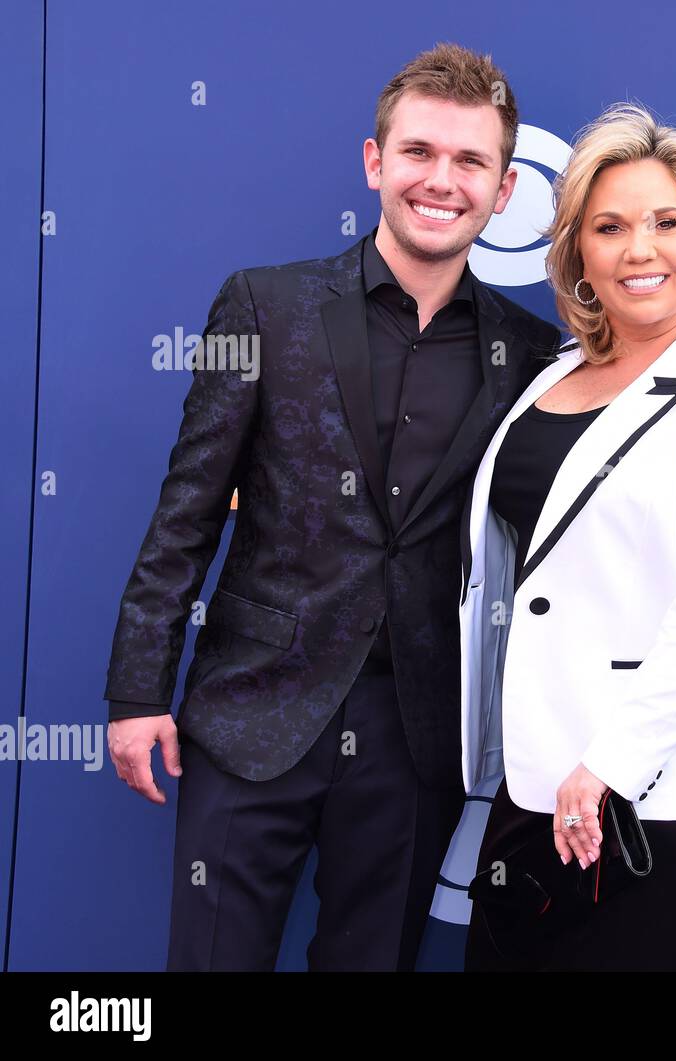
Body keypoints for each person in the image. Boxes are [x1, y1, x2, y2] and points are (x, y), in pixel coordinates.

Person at [103, 44, 560, 971]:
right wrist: (137, 689)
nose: (443, 180)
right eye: (421, 152)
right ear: (374, 162)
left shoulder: (532, 352)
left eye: (471, 162)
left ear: (505, 189)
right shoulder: (266, 306)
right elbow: (188, 507)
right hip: (250, 712)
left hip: (415, 732)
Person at [459, 103, 676, 971]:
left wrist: (611, 763)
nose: (638, 249)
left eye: (666, 223)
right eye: (609, 226)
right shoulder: (554, 375)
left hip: (663, 789)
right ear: (578, 250)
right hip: (537, 773)